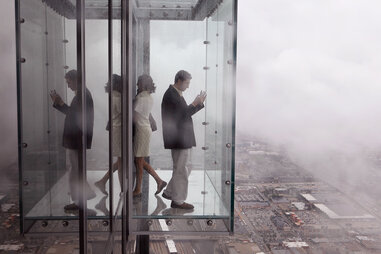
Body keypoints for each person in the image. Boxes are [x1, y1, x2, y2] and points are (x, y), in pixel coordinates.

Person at [50, 69, 96, 211]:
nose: (68, 85)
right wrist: (60, 103)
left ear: (76, 80)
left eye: (69, 82)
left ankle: (80, 200)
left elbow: (76, 117)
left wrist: (60, 103)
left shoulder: (82, 95)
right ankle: (83, 196)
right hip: (78, 138)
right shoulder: (82, 94)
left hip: (77, 139)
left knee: (75, 170)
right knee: (76, 169)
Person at [161, 70, 206, 210]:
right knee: (182, 169)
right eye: (187, 83)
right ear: (179, 81)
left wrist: (198, 104)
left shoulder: (175, 94)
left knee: (186, 166)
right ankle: (178, 200)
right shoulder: (171, 95)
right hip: (179, 138)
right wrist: (194, 103)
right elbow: (181, 115)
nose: (188, 86)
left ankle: (169, 192)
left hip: (182, 138)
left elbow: (184, 114)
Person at [133, 74, 167, 197]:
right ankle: (159, 181)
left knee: (139, 161)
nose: (137, 85)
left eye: (139, 83)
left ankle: (138, 189)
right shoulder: (148, 97)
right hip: (144, 129)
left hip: (141, 130)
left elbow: (135, 116)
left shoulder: (142, 98)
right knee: (139, 160)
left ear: (143, 84)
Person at [94, 74, 122, 195]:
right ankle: (122, 190)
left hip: (116, 130)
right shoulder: (118, 97)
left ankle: (103, 181)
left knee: (121, 160)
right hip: (119, 130)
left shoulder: (112, 96)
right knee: (121, 161)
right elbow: (125, 114)